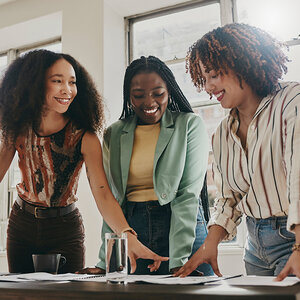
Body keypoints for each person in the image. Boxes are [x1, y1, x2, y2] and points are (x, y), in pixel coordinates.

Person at [0, 50, 167, 274]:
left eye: (72, 82)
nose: (67, 90)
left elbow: (103, 194)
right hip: (22, 224)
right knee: (20, 295)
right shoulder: (18, 129)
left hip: (64, 228)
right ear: (35, 83)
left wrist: (127, 235)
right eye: (57, 81)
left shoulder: (84, 137)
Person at [174, 23, 300, 280]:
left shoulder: (292, 101)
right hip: (255, 247)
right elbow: (229, 197)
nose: (208, 87)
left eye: (214, 75)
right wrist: (210, 244)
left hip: (292, 238)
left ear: (241, 63)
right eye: (203, 78)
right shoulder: (222, 133)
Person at [80, 55, 214, 275]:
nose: (149, 102)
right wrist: (106, 261)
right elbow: (113, 201)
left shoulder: (189, 125)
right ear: (129, 97)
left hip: (182, 228)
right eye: (138, 95)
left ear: (169, 91)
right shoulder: (114, 133)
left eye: (158, 94)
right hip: (134, 232)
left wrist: (178, 260)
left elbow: (187, 195)